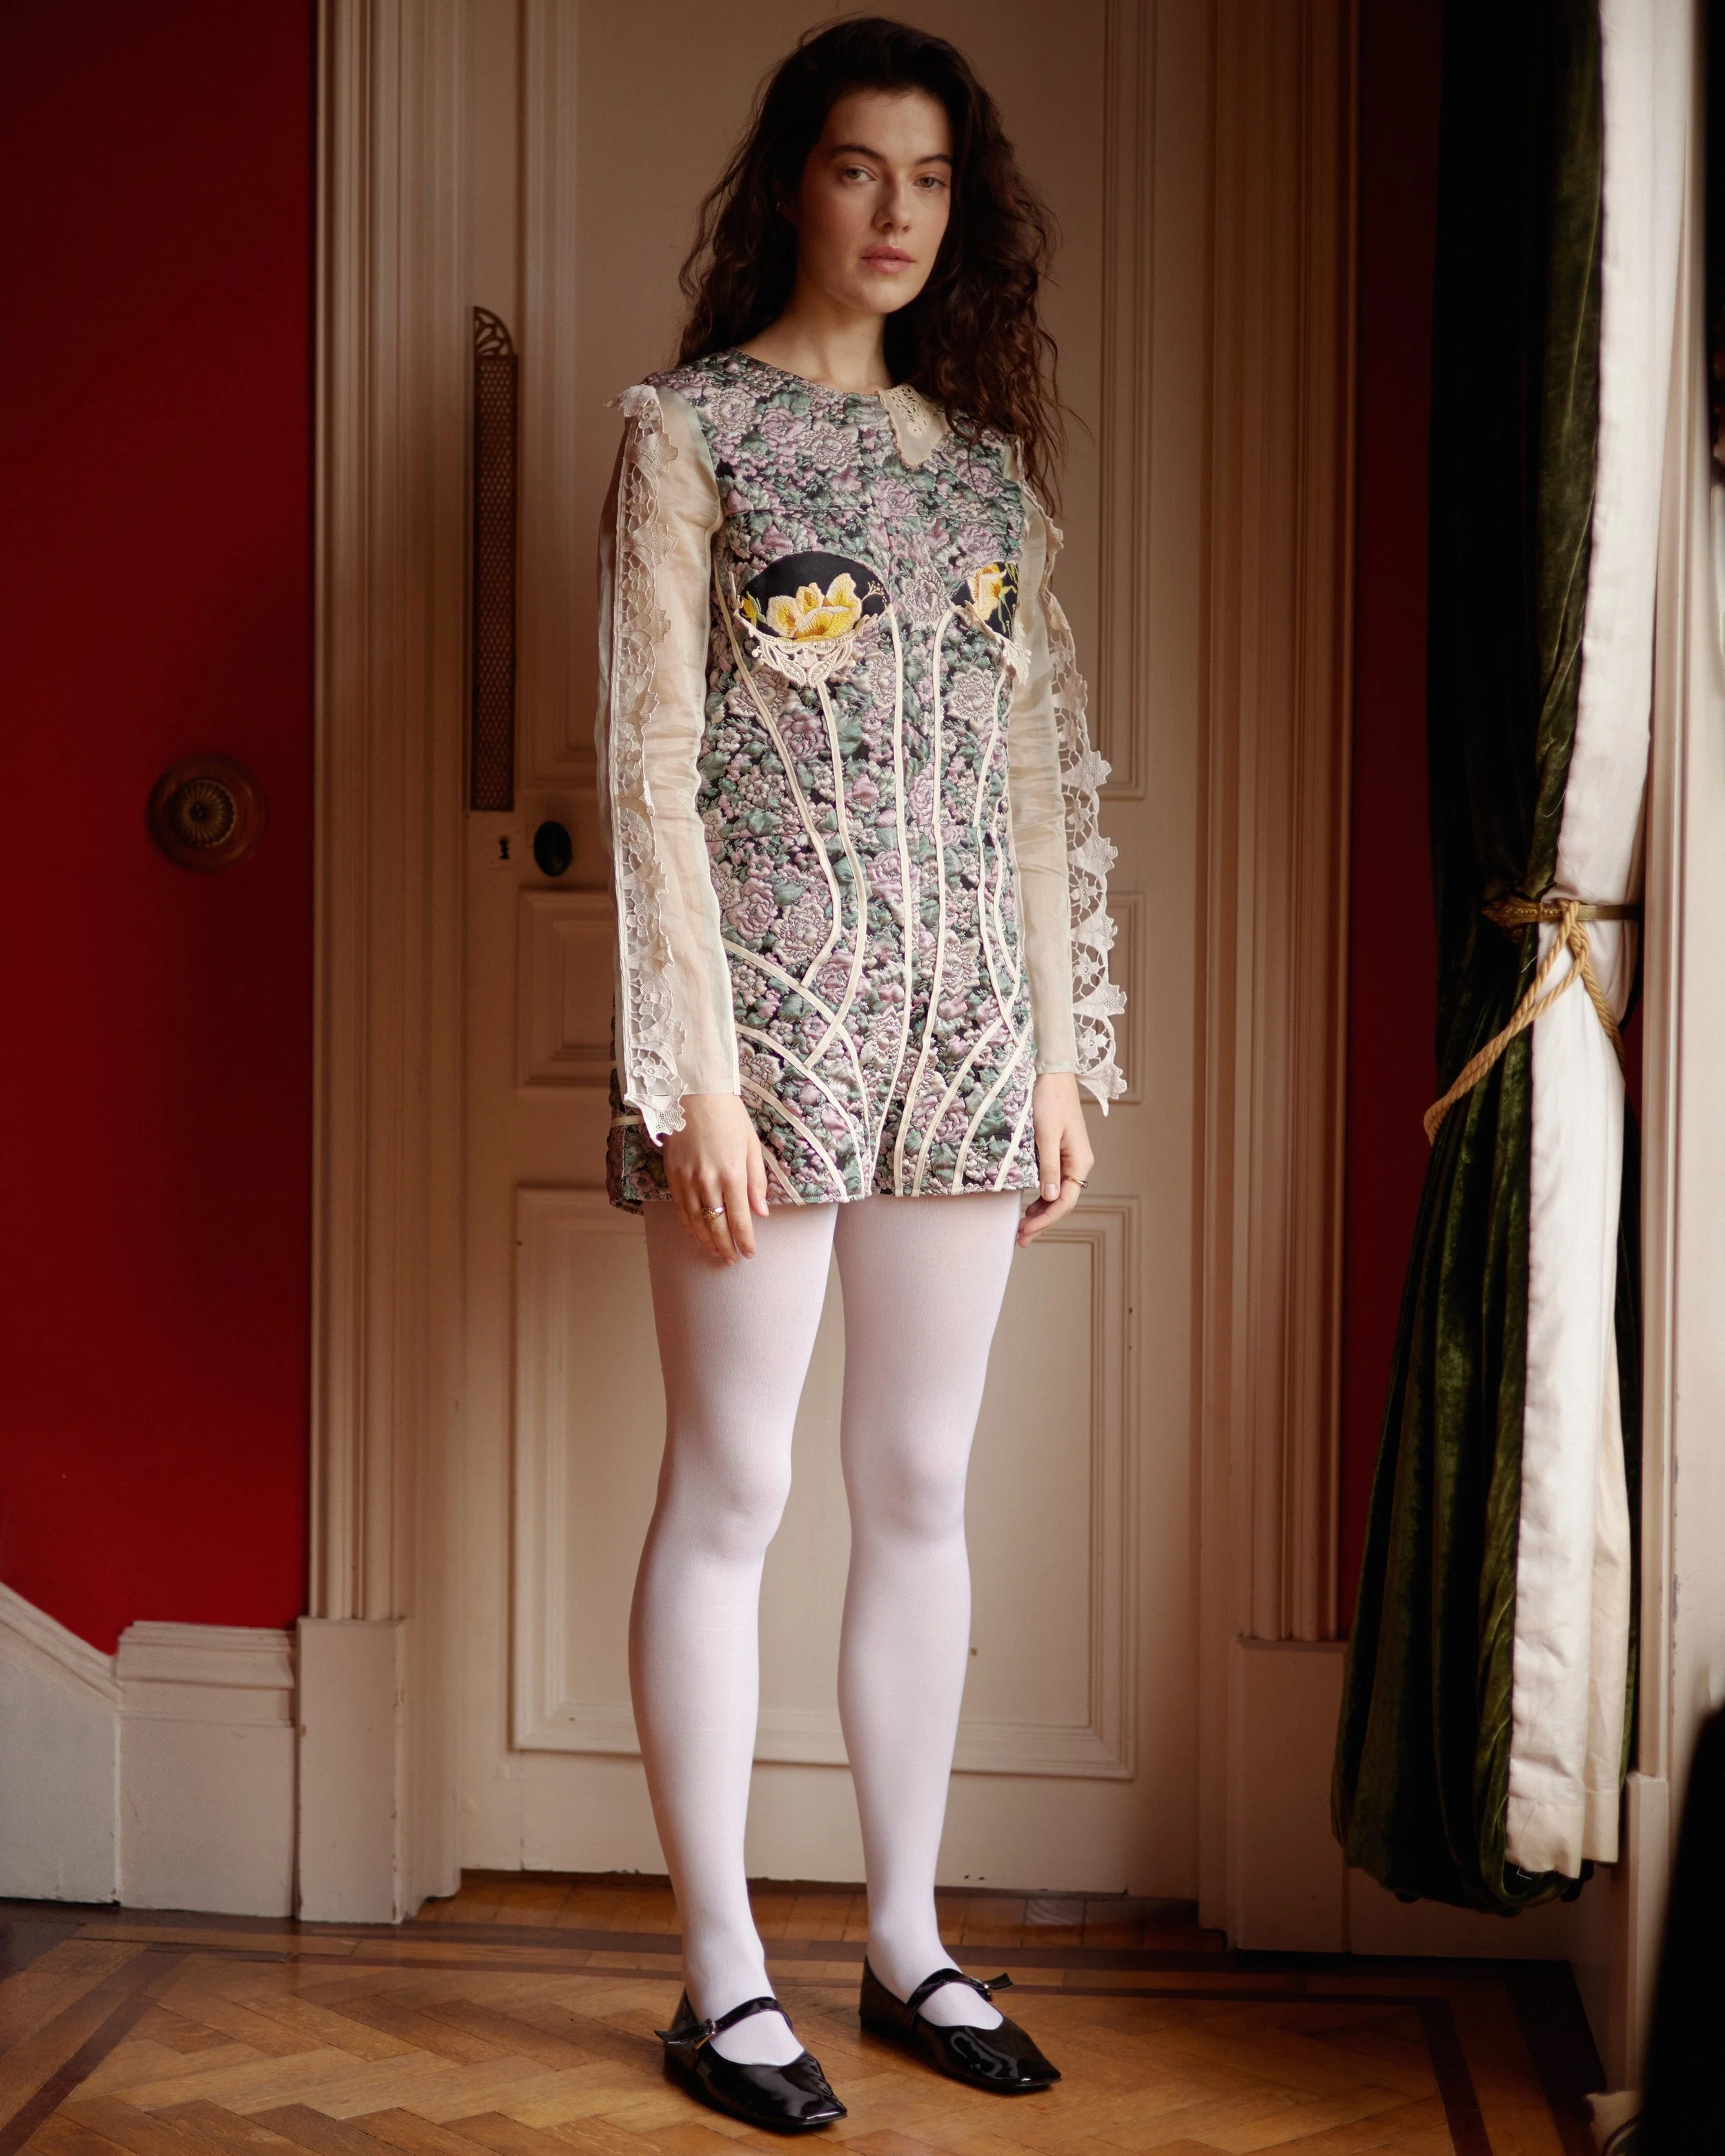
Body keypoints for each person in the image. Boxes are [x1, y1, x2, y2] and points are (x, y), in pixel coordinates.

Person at [595, 16, 1125, 2133]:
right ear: (789, 187)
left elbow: (1032, 782)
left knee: (919, 1487)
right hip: (772, 1046)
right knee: (732, 1490)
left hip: (968, 1046)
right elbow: (647, 770)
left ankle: (905, 1939)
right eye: (854, 168)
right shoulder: (692, 434)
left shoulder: (979, 471)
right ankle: (721, 1975)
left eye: (929, 177)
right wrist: (694, 1078)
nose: (895, 211)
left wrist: (1061, 1045)